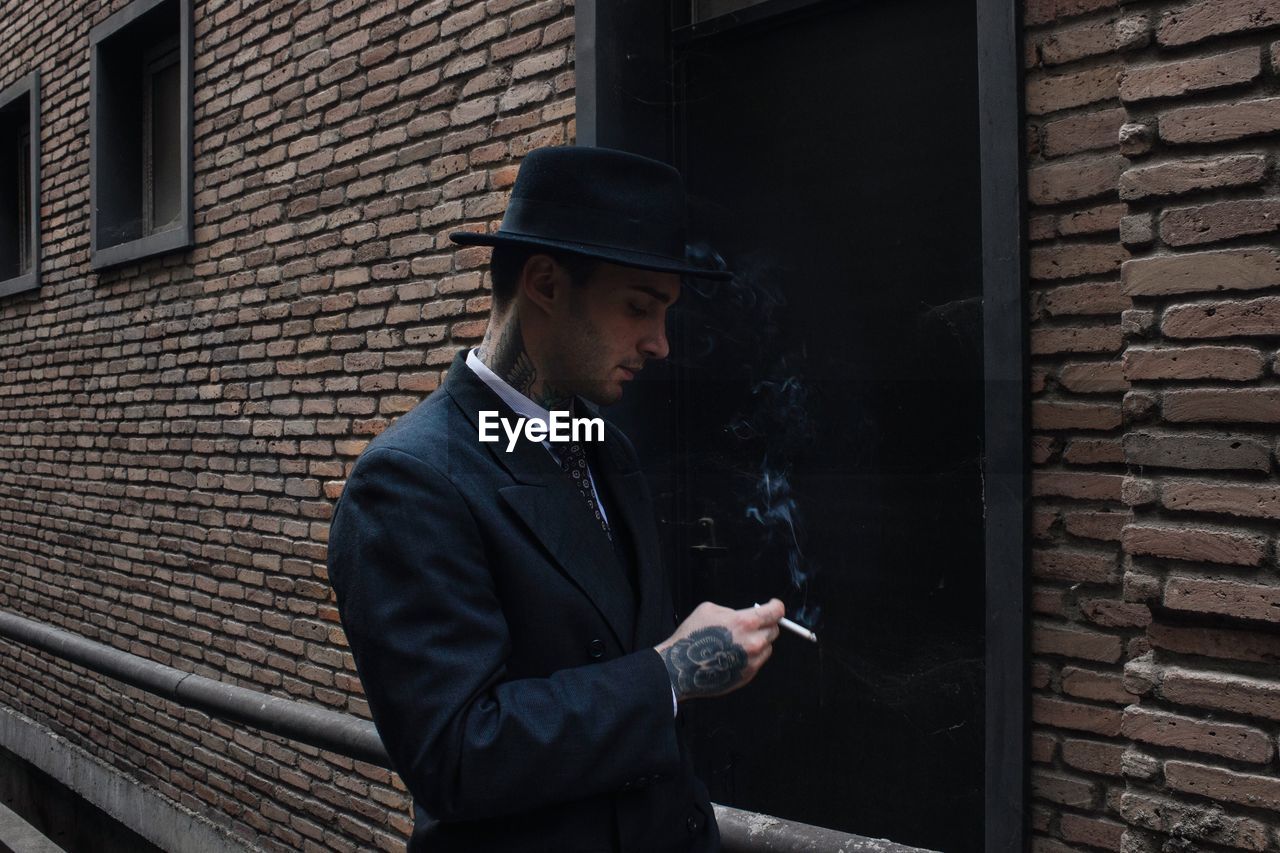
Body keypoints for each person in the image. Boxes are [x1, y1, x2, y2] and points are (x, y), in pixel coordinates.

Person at [326, 145, 786, 853]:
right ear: (544, 281)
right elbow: (457, 751)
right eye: (639, 307)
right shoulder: (409, 480)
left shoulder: (604, 446)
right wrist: (670, 672)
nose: (661, 343)